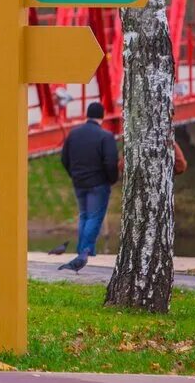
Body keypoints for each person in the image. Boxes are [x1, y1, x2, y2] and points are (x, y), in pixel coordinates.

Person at [59, 101, 118, 267]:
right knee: (93, 217)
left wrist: (74, 174)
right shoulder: (105, 136)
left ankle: (82, 252)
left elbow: (64, 159)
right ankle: (85, 252)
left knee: (84, 215)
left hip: (79, 182)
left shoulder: (74, 134)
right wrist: (111, 179)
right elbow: (110, 162)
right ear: (102, 116)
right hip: (98, 183)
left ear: (87, 115)